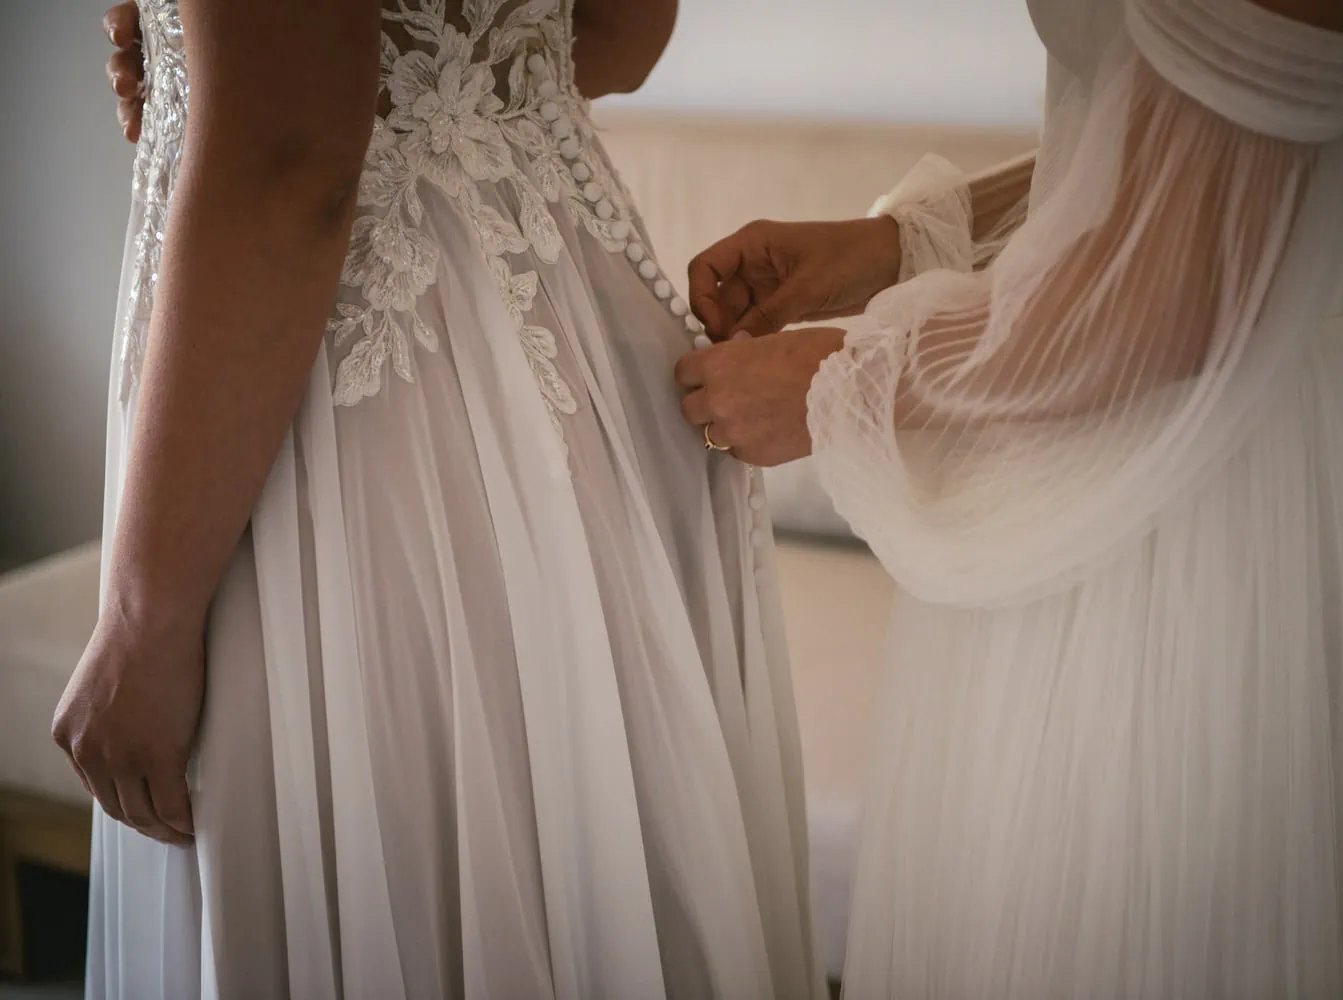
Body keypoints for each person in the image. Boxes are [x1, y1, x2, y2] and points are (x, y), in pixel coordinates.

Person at [680, 0, 1343, 996]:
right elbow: (1204, 153)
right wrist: (901, 245)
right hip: (1320, 431)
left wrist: (849, 382)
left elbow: (1182, 281)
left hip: (1202, 489)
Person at [59, 1, 825, 997]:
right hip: (570, 345)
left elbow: (288, 157)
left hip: (367, 414)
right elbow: (627, 34)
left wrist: (142, 617)